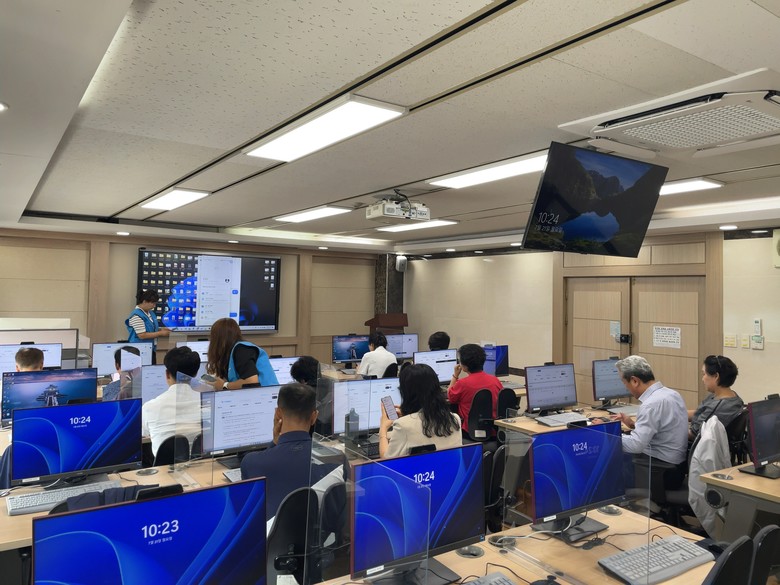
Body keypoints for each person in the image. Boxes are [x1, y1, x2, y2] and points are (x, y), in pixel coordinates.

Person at [241, 383, 338, 520]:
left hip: (271, 533)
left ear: (278, 413)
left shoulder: (251, 463)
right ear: (314, 417)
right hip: (319, 533)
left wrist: (274, 444)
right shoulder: (337, 461)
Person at [612, 355, 689, 486]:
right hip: (677, 468)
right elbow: (662, 429)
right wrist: (633, 425)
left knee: (610, 458)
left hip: (661, 472)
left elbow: (636, 446)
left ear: (634, 381)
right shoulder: (672, 394)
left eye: (624, 383)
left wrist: (607, 434)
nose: (626, 388)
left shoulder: (651, 404)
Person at [378, 363, 461, 458]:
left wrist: (383, 428)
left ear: (406, 392)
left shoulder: (403, 425)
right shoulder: (455, 419)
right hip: (448, 468)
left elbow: (386, 459)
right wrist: (408, 415)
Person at [141, 346, 202, 459]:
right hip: (200, 466)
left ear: (167, 374)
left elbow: (144, 434)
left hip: (163, 468)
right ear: (195, 374)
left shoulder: (149, 407)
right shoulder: (207, 403)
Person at [447, 343, 503, 437]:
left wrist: (455, 375)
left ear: (464, 366)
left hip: (469, 431)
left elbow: (450, 397)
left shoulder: (463, 383)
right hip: (493, 431)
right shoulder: (495, 380)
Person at [206, 318, 278, 390]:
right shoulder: (232, 352)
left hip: (266, 394)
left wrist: (224, 385)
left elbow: (252, 382)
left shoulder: (242, 350)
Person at [688, 355, 743, 439]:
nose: (702, 379)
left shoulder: (720, 406)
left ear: (716, 376)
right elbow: (701, 413)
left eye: (704, 374)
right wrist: (676, 413)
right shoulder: (732, 396)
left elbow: (694, 434)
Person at [125, 289, 170, 363]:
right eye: (153, 303)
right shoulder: (136, 315)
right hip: (139, 350)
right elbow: (142, 335)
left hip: (150, 349)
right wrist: (160, 333)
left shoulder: (150, 313)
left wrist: (161, 329)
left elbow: (150, 328)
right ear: (144, 301)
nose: (154, 306)